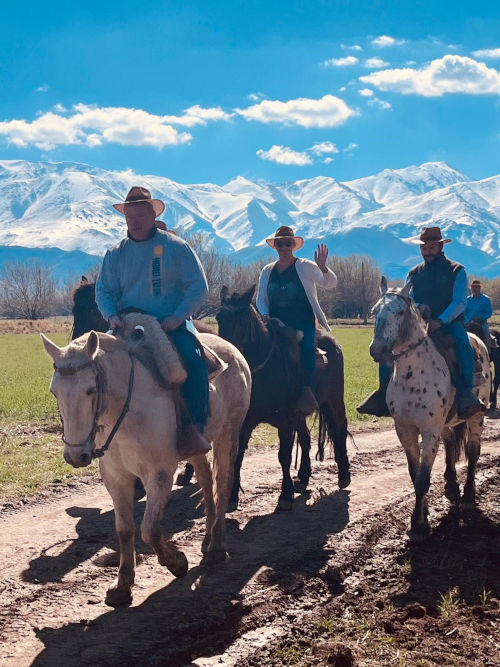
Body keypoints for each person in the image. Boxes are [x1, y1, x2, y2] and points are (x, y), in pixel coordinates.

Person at [95, 186, 210, 458]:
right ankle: (94, 431)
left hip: (167, 324)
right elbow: (104, 291)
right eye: (129, 216)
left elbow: (198, 286)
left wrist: (178, 317)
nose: (134, 222)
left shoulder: (175, 247)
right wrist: (111, 315)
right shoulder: (115, 253)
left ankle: (195, 427)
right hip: (125, 324)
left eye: (140, 215)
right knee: (95, 367)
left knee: (193, 360)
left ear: (152, 214)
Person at [357, 226, 486, 420]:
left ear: (440, 246)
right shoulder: (414, 273)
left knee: (464, 345)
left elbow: (460, 302)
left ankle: (466, 395)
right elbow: (410, 298)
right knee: (388, 350)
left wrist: (441, 320)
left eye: (432, 246)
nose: (428, 251)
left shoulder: (457, 270)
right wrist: (419, 306)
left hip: (449, 324)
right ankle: (383, 393)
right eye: (424, 247)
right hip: (418, 325)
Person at [256, 225, 337, 415]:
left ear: (293, 245)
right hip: (275, 324)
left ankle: (307, 390)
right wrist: (265, 314)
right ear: (275, 247)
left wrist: (323, 267)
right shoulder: (267, 271)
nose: (283, 247)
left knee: (307, 347)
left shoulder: (305, 266)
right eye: (280, 244)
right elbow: (261, 299)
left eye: (287, 243)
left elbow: (330, 284)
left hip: (303, 322)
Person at [465, 279, 493, 352]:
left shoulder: (485, 299)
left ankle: (488, 352)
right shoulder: (468, 299)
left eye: (477, 287)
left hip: (481, 323)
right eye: (473, 287)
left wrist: (480, 317)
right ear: (471, 288)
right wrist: (467, 320)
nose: (475, 289)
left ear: (480, 288)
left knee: (487, 335)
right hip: (468, 323)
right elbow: (464, 312)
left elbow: (489, 312)